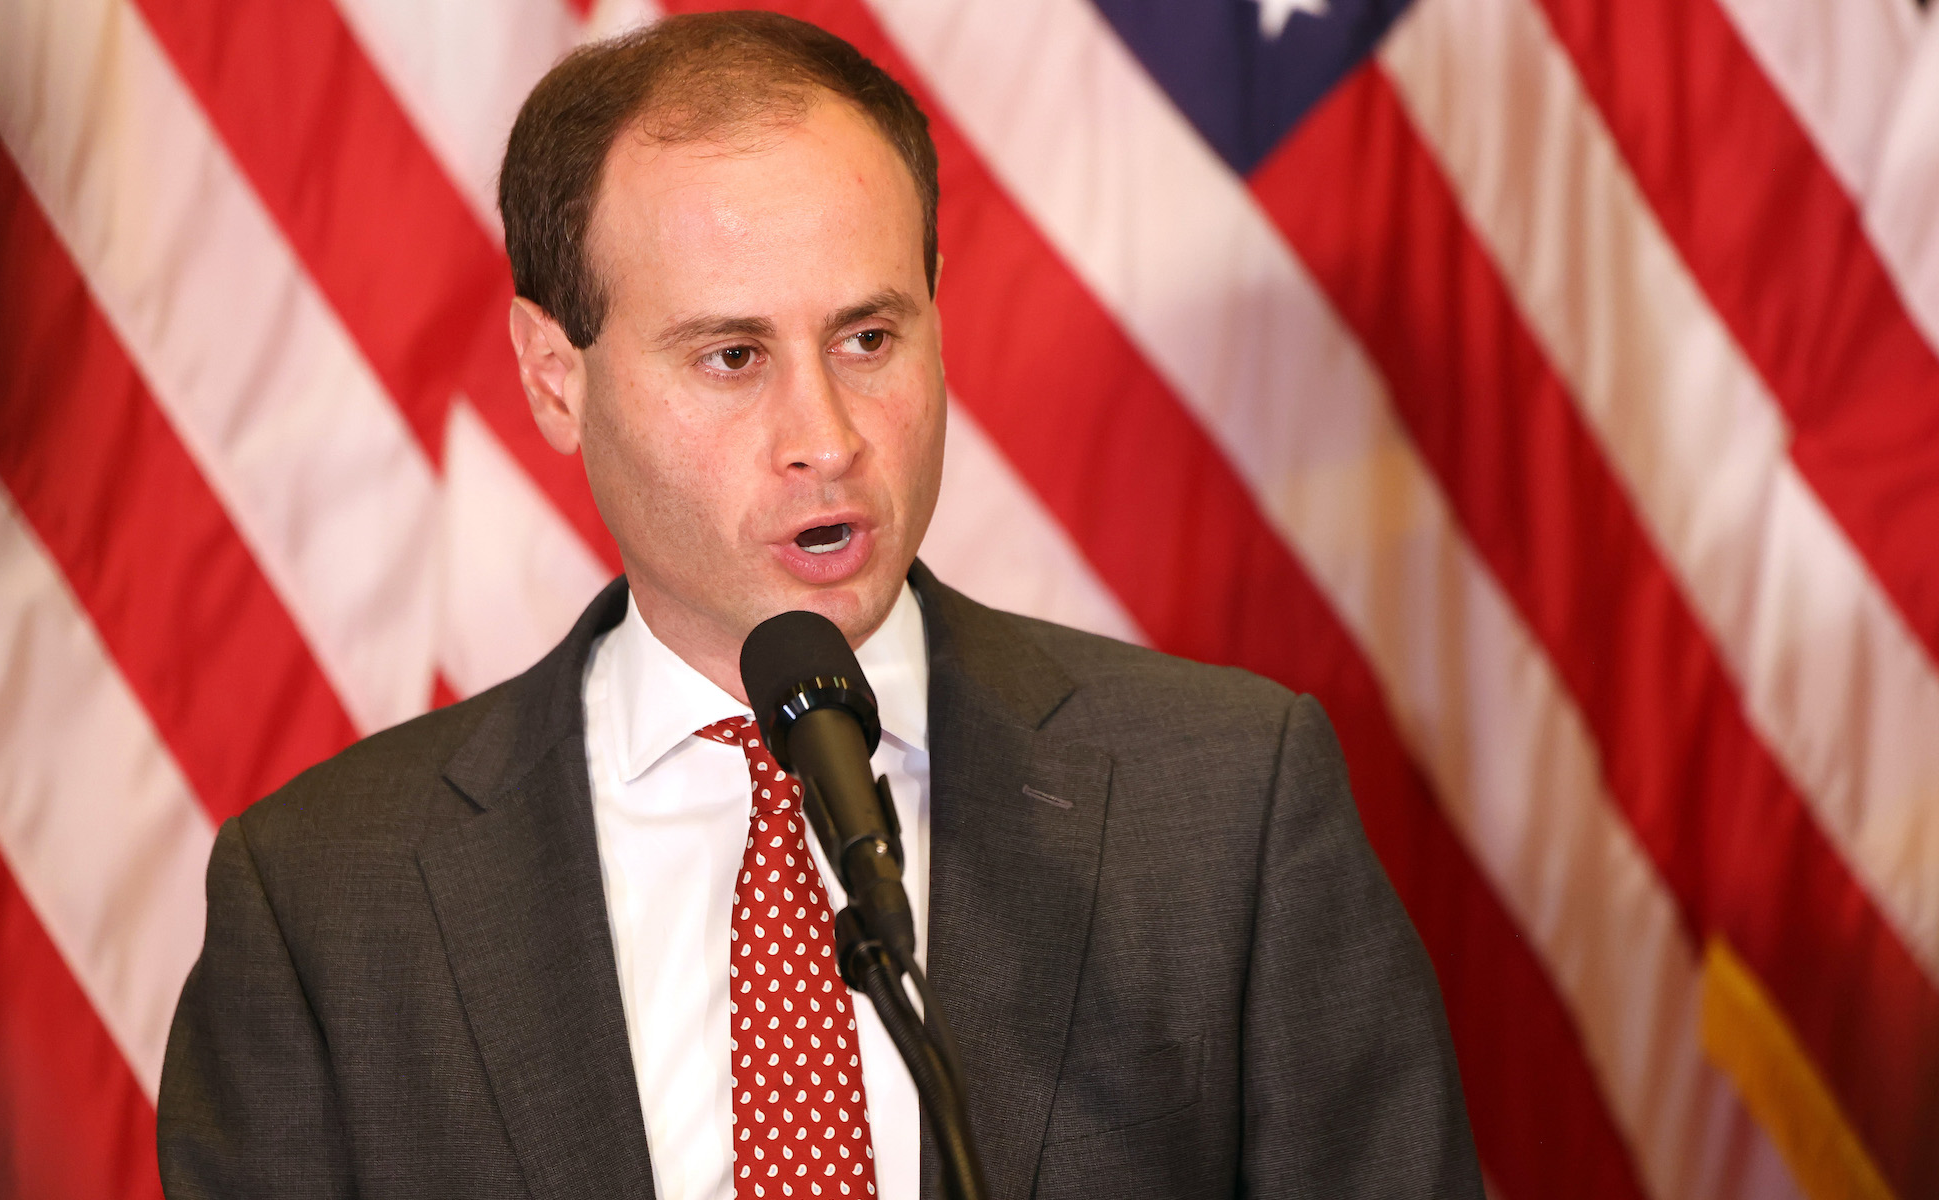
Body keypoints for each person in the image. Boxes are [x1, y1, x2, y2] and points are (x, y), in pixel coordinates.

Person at [157, 12, 1481, 1199]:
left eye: (869, 338)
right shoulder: (327, 902)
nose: (828, 437)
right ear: (555, 377)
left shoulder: (1227, 811)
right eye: (732, 357)